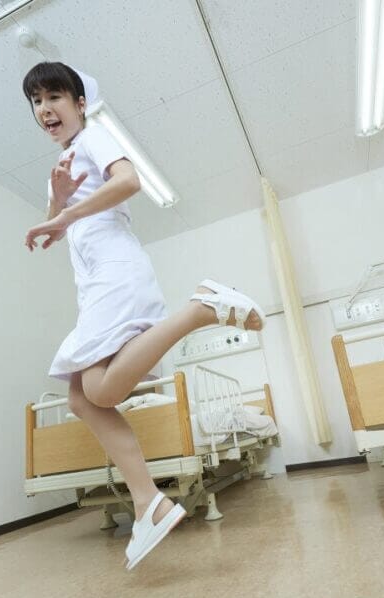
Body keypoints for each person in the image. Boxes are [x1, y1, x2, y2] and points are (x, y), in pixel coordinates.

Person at [21, 62, 265, 570]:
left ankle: (201, 309)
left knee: (101, 392)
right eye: (36, 101)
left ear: (80, 103)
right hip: (97, 283)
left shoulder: (94, 136)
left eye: (54, 97)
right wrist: (58, 205)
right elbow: (55, 230)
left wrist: (67, 212)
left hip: (116, 270)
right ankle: (147, 501)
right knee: (82, 399)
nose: (45, 108)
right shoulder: (64, 164)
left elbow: (129, 181)